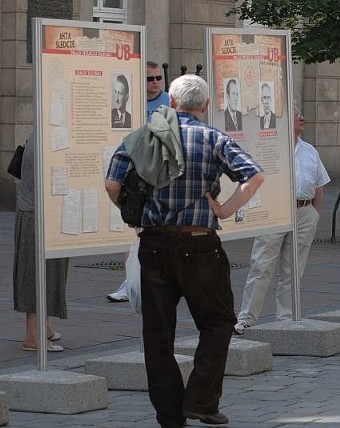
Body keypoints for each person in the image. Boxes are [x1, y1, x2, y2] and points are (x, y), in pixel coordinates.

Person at [105, 74, 264, 427]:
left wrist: (133, 212)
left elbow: (112, 183)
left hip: (155, 243)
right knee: (218, 322)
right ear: (205, 105)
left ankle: (170, 415)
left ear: (171, 103)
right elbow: (253, 176)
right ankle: (202, 400)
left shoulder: (141, 138)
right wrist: (223, 209)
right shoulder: (212, 137)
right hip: (199, 242)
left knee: (158, 332)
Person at [233, 105, 330, 334]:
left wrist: (314, 213)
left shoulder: (310, 151)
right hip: (276, 211)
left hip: (304, 212)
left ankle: (286, 318)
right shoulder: (272, 146)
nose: (302, 117)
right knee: (261, 265)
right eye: (297, 115)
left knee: (293, 269)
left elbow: (319, 184)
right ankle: (247, 318)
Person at [107, 61, 171, 303]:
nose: (155, 82)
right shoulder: (130, 102)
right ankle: (131, 281)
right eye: (149, 79)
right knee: (134, 230)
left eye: (157, 78)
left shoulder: (170, 101)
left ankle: (158, 280)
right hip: (135, 175)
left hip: (161, 174)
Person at [13, 132, 69, 352]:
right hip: (39, 213)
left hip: (42, 210)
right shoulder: (48, 134)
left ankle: (44, 328)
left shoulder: (43, 129)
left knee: (50, 271)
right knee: (36, 274)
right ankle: (33, 336)